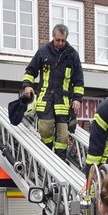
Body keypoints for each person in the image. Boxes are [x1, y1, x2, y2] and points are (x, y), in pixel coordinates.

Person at [22, 24, 85, 159]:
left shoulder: (72, 55)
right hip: (45, 99)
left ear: (66, 38)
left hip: (63, 102)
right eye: (58, 40)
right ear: (53, 37)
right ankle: (46, 156)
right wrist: (27, 85)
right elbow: (30, 70)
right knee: (45, 128)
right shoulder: (43, 52)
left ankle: (60, 161)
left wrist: (77, 99)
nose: (60, 43)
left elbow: (78, 80)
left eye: (63, 40)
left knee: (63, 136)